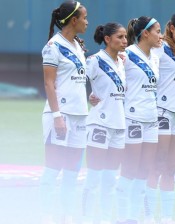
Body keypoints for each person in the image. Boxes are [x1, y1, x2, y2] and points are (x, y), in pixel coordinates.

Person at [40, 1, 88, 223]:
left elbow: (74, 82)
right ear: (74, 20)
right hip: (60, 116)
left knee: (71, 172)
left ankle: (66, 216)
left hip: (80, 116)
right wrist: (57, 117)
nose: (87, 22)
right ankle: (45, 215)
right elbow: (49, 85)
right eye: (84, 18)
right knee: (53, 170)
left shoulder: (78, 45)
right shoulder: (53, 46)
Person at [144, 12, 175, 223]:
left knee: (171, 168)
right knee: (157, 164)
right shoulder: (160, 47)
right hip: (162, 111)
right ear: (171, 28)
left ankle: (165, 217)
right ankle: (148, 217)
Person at [114, 16, 162, 224]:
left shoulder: (156, 57)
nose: (161, 35)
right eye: (158, 31)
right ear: (145, 33)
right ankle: (122, 216)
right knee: (130, 168)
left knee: (145, 169)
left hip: (151, 119)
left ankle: (135, 216)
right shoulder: (127, 56)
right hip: (132, 117)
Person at [82, 22, 127, 224]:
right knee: (94, 177)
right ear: (107, 39)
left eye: (126, 37)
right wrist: (90, 95)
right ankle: (86, 219)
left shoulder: (122, 61)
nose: (125, 41)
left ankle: (106, 219)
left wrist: (95, 92)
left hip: (119, 125)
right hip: (99, 124)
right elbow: (74, 81)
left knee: (110, 180)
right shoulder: (94, 61)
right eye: (120, 37)